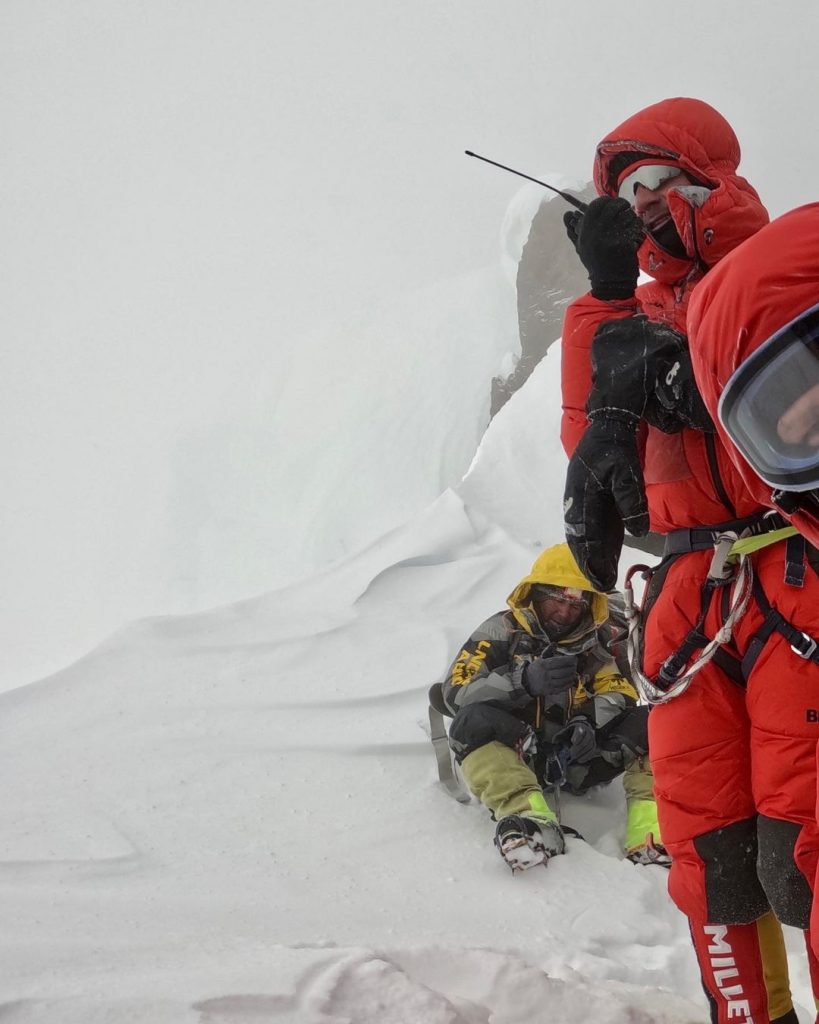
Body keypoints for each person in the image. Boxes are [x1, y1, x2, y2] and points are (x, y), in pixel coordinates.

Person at [559, 98, 811, 1024]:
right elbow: (590, 454)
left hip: (791, 573)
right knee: (710, 857)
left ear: (709, 179)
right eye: (627, 192)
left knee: (806, 840)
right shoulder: (620, 317)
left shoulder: (778, 273)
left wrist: (685, 354)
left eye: (659, 180)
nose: (645, 204)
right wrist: (606, 297)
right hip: (683, 595)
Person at [440, 542, 666, 872]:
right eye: (556, 601)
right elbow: (454, 692)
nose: (564, 612)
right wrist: (521, 681)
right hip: (516, 752)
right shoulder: (499, 631)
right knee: (469, 722)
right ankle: (531, 821)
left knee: (657, 723)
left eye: (575, 605)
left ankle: (650, 835)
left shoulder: (595, 640)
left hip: (576, 758)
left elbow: (618, 689)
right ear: (536, 593)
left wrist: (588, 723)